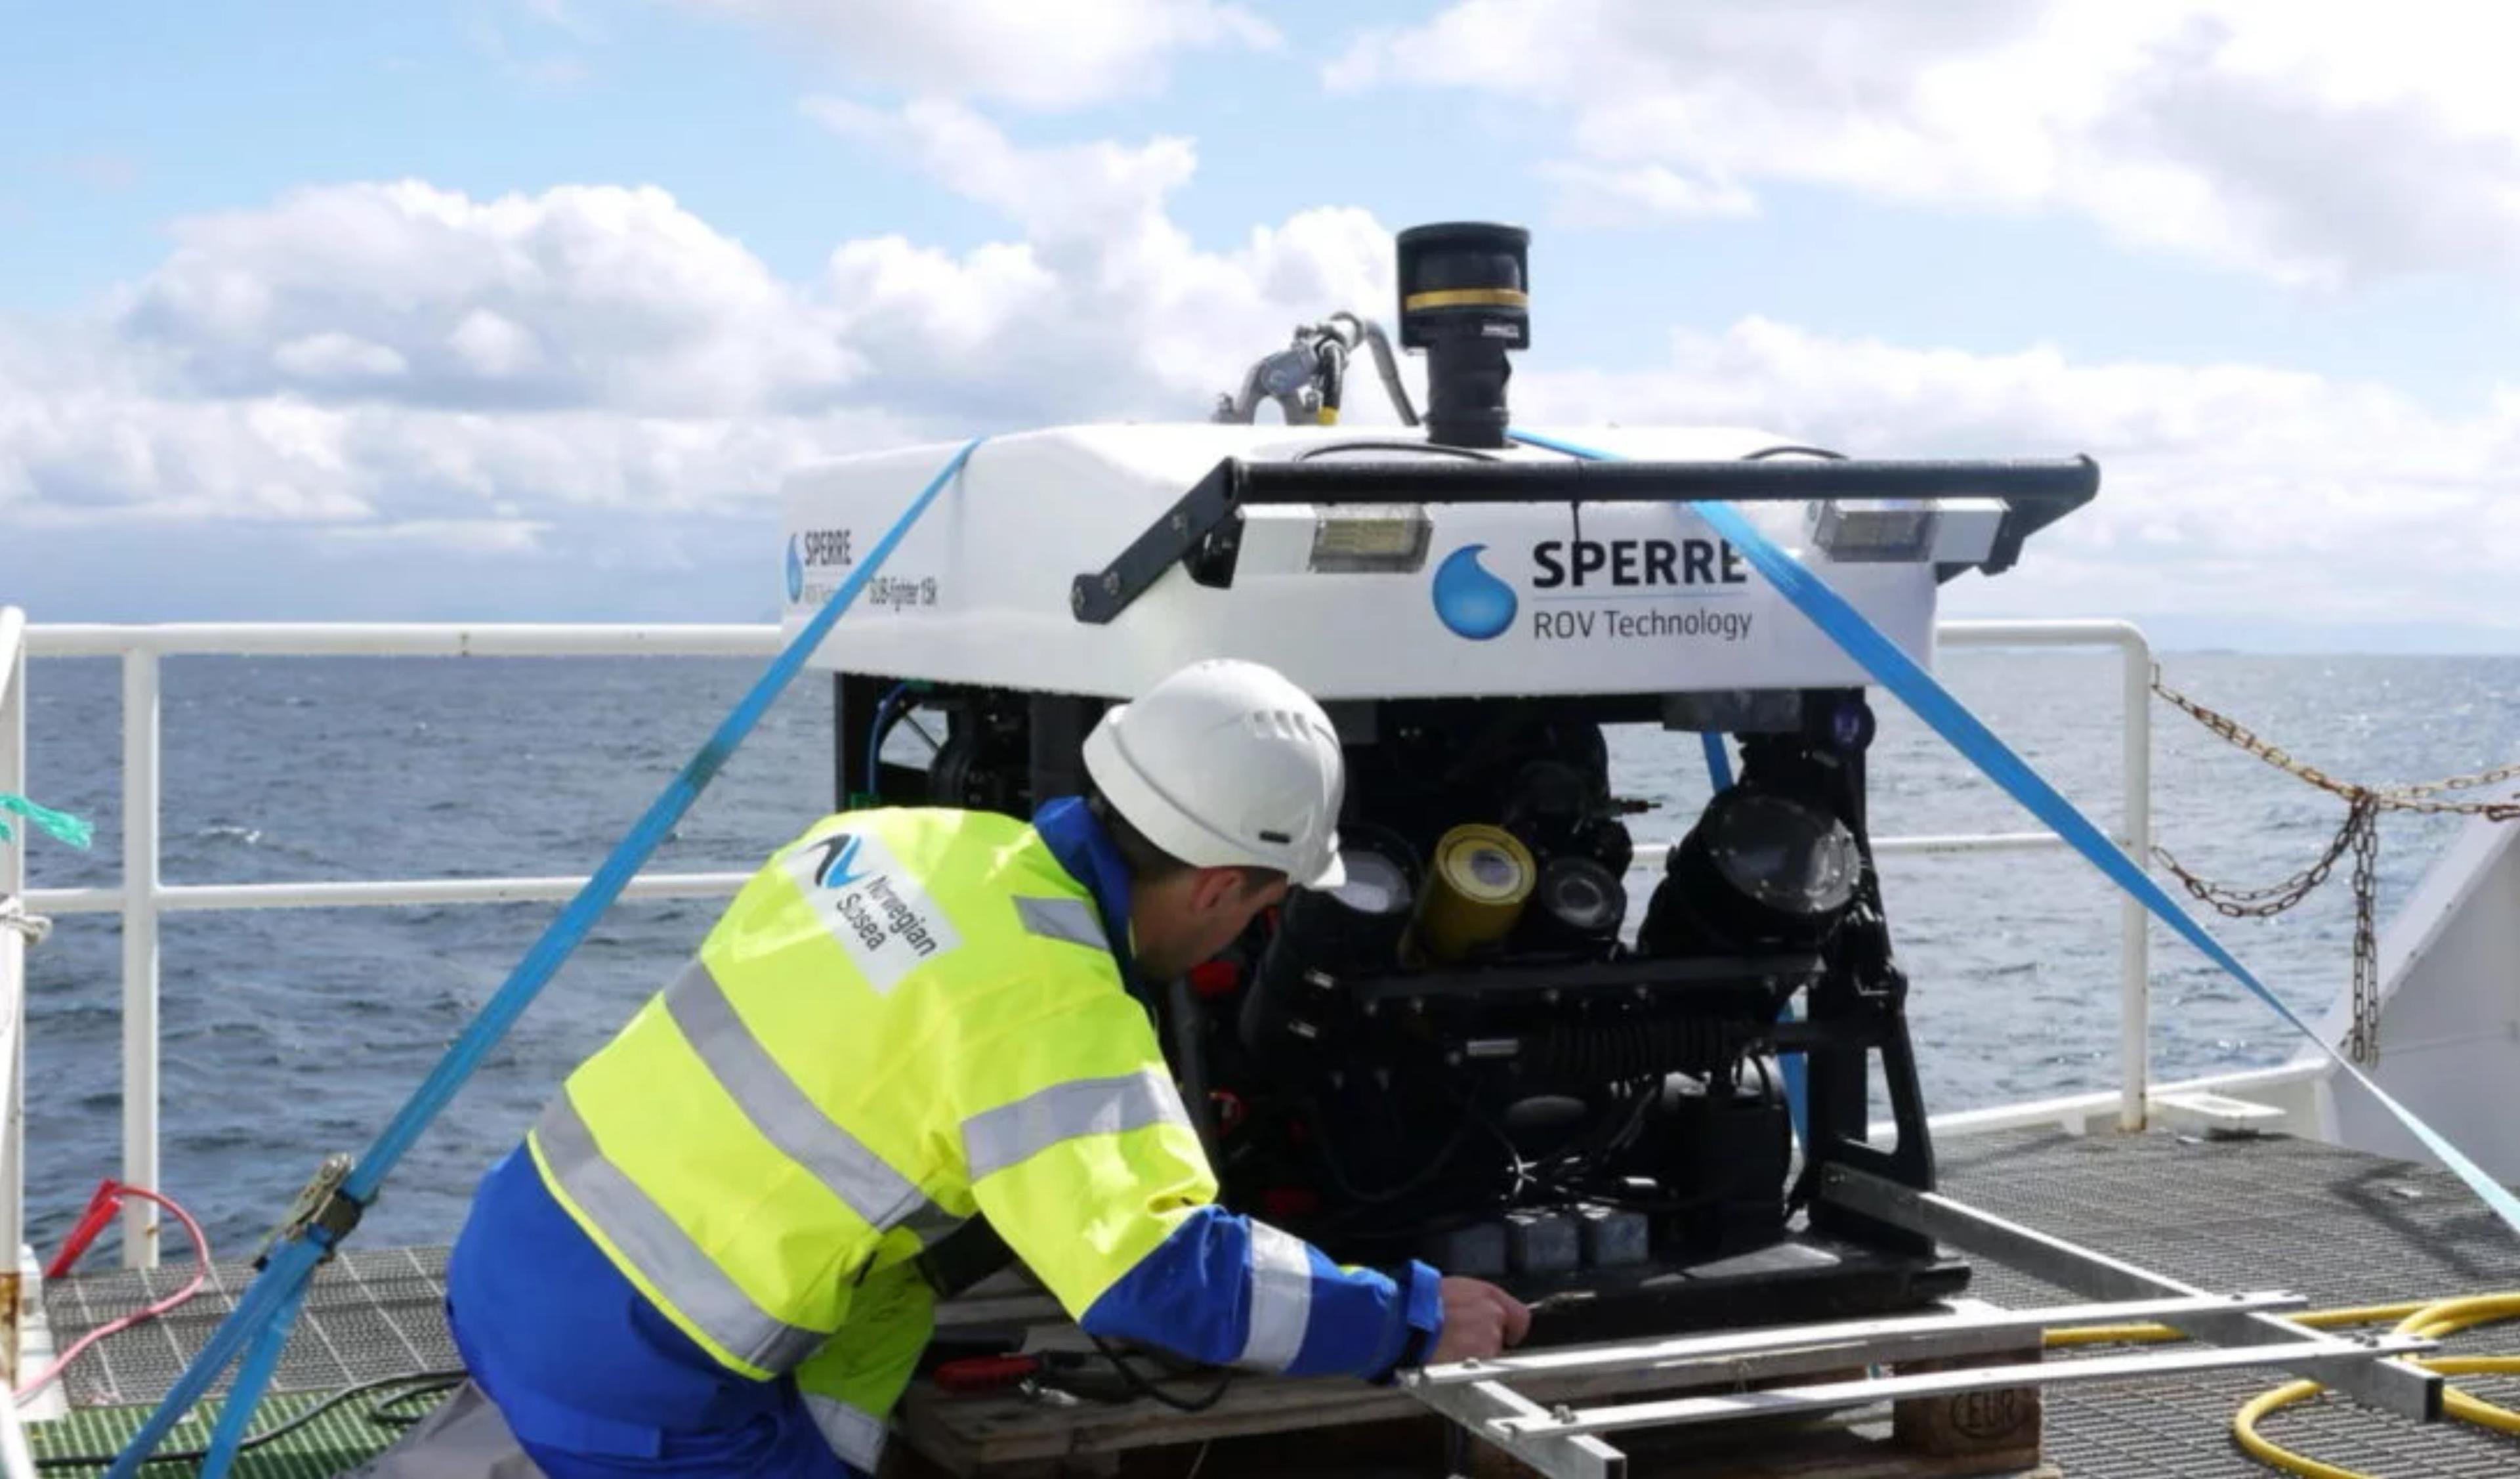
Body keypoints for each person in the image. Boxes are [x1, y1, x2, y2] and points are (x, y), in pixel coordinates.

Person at [360, 658, 1531, 1478]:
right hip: (637, 1381)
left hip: (506, 1250)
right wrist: (1411, 1318)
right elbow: (1166, 1278)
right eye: (1266, 907)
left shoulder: (886, 837)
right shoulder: (1052, 1004)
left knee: (897, 1299)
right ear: (1226, 887)